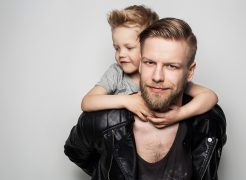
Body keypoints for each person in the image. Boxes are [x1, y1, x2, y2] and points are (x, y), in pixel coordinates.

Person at [65, 18, 227, 180]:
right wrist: (112, 179)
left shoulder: (208, 123)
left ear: (190, 72)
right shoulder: (104, 122)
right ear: (140, 64)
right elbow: (76, 152)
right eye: (150, 63)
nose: (157, 76)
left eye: (171, 66)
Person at [81, 5, 219, 128]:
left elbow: (209, 96)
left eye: (129, 48)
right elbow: (87, 102)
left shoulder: (167, 79)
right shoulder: (116, 73)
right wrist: (126, 101)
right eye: (117, 48)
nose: (121, 54)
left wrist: (180, 114)